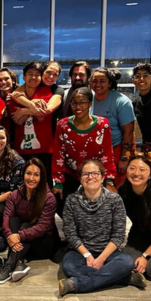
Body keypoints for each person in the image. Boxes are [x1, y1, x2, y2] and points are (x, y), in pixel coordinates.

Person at [58, 160, 146, 296]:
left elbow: (118, 235)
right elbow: (70, 233)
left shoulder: (115, 200)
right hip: (80, 253)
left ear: (102, 177)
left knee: (127, 262)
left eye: (95, 173)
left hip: (109, 253)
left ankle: (77, 284)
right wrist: (87, 255)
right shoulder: (72, 200)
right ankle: (123, 278)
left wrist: (100, 259)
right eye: (86, 174)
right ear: (80, 179)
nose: (90, 177)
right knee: (68, 266)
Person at [0, 158, 58, 284]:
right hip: (23, 244)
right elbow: (6, 218)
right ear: (23, 174)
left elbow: (42, 227)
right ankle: (19, 262)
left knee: (27, 224)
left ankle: (9, 264)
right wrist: (10, 235)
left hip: (43, 244)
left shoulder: (49, 198)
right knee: (14, 220)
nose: (31, 178)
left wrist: (19, 236)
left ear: (42, 177)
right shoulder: (14, 195)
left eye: (36, 175)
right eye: (28, 173)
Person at [52, 87, 117, 217]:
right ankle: (74, 228)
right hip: (71, 172)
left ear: (90, 104)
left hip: (94, 174)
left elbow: (107, 154)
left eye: (82, 102)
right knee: (57, 201)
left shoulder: (102, 124)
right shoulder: (62, 125)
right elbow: (58, 154)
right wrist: (58, 181)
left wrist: (109, 181)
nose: (78, 106)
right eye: (74, 102)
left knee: (103, 204)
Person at [9, 62, 54, 185]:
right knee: (24, 184)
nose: (33, 77)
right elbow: (18, 120)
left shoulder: (45, 91)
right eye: (30, 74)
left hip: (44, 149)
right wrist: (33, 106)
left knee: (45, 184)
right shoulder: (16, 95)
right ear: (23, 78)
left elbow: (41, 116)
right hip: (22, 150)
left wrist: (23, 110)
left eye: (37, 75)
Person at [90, 67, 135, 187]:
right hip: (93, 151)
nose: (98, 84)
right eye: (94, 81)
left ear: (109, 83)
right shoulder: (88, 100)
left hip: (116, 150)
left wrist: (124, 158)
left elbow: (129, 132)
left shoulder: (122, 101)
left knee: (114, 187)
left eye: (102, 81)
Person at [0, 67, 18, 145]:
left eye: (6, 79)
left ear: (13, 80)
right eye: (0, 80)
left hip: (22, 139)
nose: (3, 82)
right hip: (1, 142)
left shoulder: (22, 93)